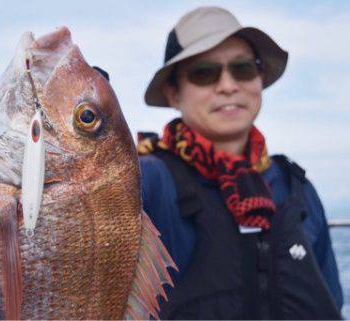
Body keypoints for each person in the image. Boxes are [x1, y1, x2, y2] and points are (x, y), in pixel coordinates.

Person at [137, 6, 343, 320]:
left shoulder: (296, 186)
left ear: (259, 78)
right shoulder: (146, 179)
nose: (228, 85)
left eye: (243, 68)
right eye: (204, 72)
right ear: (173, 93)